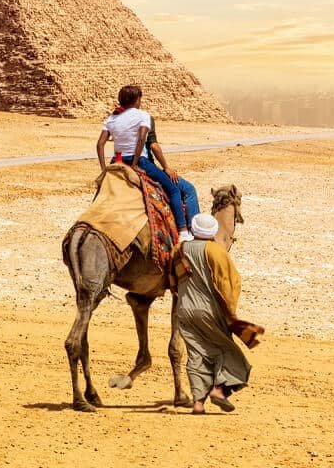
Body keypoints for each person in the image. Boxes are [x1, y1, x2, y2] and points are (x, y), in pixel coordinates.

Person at [174, 213, 261, 414]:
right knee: (228, 350)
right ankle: (219, 390)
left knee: (196, 354)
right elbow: (228, 283)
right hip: (209, 311)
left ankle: (198, 403)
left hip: (184, 310)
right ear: (212, 231)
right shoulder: (216, 251)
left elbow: (173, 280)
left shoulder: (179, 249)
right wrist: (230, 313)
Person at [95, 84, 193, 241]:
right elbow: (142, 138)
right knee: (174, 189)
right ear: (136, 100)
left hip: (117, 161)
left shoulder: (111, 119)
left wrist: (104, 169)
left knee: (103, 192)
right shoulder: (143, 115)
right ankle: (182, 231)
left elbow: (100, 144)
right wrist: (134, 163)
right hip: (139, 160)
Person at [143, 117, 200, 231]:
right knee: (187, 189)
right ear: (137, 100)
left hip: (118, 161)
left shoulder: (115, 117)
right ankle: (193, 231)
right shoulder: (144, 118)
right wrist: (166, 167)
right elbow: (154, 146)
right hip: (144, 164)